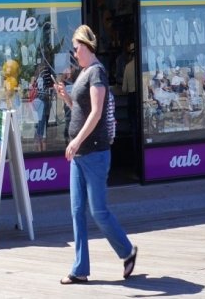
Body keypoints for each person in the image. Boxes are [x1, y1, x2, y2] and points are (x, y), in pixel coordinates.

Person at [54, 24, 136, 285]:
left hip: (95, 153)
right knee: (77, 211)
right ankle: (80, 269)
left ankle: (127, 251)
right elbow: (81, 109)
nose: (74, 52)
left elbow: (97, 113)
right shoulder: (84, 72)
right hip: (79, 155)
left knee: (98, 211)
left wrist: (76, 141)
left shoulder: (97, 72)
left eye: (76, 48)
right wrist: (66, 98)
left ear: (86, 46)